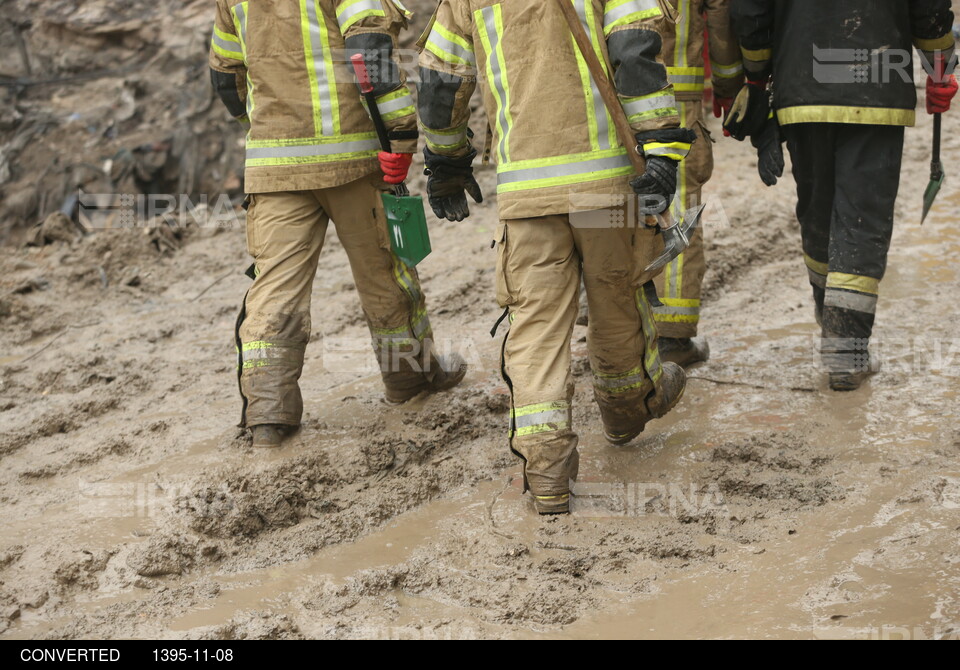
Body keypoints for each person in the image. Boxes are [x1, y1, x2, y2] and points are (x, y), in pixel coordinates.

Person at [418, 0, 694, 513]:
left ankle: (546, 472)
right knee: (616, 302)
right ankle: (626, 412)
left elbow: (439, 79)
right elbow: (634, 53)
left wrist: (446, 163)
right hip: (605, 193)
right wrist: (661, 150)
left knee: (537, 324)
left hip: (527, 197)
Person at [209, 0, 466, 448]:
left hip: (275, 165)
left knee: (274, 288)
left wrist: (266, 127)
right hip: (354, 158)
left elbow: (226, 77)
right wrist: (402, 134)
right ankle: (410, 380)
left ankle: (268, 416)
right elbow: (369, 49)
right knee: (385, 273)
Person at [730, 0, 957, 391]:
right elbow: (930, 9)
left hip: (801, 84)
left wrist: (756, 76)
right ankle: (845, 351)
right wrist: (940, 69)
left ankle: (832, 323)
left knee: (817, 212)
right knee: (862, 218)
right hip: (879, 84)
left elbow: (750, 11)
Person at [653, 0, 743, 366]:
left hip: (606, 100)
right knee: (676, 211)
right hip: (676, 104)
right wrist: (730, 82)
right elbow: (720, 15)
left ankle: (611, 326)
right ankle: (672, 338)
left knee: (611, 209)